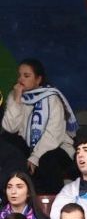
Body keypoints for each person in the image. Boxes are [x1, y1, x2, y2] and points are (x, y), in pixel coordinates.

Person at [3, 59, 76, 192]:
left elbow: (54, 134)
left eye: (26, 76)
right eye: (19, 75)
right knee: (8, 142)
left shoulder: (51, 98)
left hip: (54, 147)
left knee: (47, 158)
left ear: (38, 79)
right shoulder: (15, 96)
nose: (20, 79)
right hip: (28, 146)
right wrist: (17, 100)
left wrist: (35, 156)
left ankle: (52, 200)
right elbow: (10, 128)